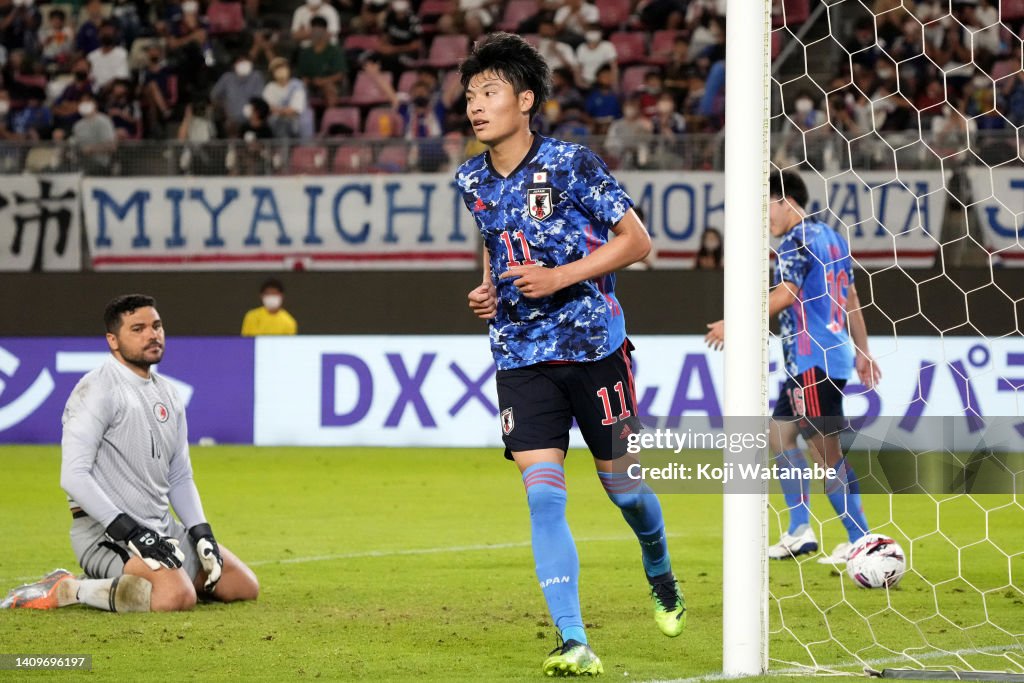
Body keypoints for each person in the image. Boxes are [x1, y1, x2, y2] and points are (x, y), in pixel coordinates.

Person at [457, 33, 685, 677]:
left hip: (593, 348)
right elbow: (493, 240)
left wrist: (561, 277)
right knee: (543, 497)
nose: (476, 105)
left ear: (524, 101)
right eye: (471, 94)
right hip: (521, 354)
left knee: (623, 488)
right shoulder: (470, 176)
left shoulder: (571, 163)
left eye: (490, 92)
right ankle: (573, 637)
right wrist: (489, 288)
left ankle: (659, 566)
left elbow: (637, 241)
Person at [1, 295, 259, 612]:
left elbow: (179, 475)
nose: (152, 334)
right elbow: (73, 476)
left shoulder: (168, 393)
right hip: (106, 535)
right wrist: (131, 531)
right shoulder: (96, 389)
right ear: (113, 340)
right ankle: (68, 588)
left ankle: (135, 582)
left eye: (156, 326)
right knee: (176, 598)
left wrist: (200, 531)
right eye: (138, 328)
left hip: (162, 530)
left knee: (243, 587)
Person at [704, 171, 882, 565]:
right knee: (779, 436)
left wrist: (735, 322)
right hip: (821, 358)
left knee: (826, 455)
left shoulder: (796, 240)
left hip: (812, 362)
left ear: (787, 201)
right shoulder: (832, 237)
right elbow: (851, 295)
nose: (764, 217)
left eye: (766, 206)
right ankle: (800, 530)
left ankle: (862, 539)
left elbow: (787, 294)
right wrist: (863, 350)